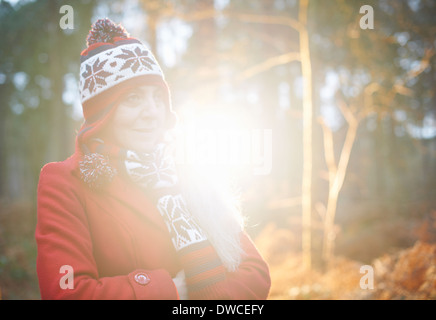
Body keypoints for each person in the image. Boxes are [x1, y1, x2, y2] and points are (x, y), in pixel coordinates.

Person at [35, 18, 270, 300]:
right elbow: (67, 292)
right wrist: (172, 291)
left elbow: (254, 272)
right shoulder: (65, 182)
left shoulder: (185, 169)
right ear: (102, 115)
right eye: (133, 99)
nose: (152, 112)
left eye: (157, 98)